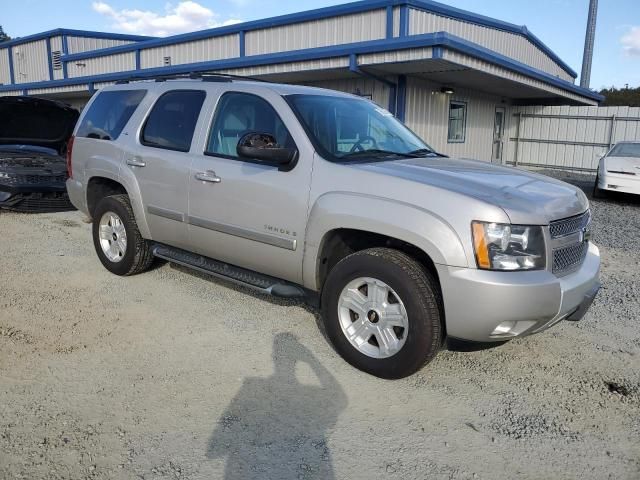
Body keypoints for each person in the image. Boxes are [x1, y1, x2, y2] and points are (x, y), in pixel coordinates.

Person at [207, 333, 348, 479]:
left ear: (273, 357)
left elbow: (214, 450)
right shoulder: (308, 393)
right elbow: (340, 399)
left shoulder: (252, 388)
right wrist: (312, 361)